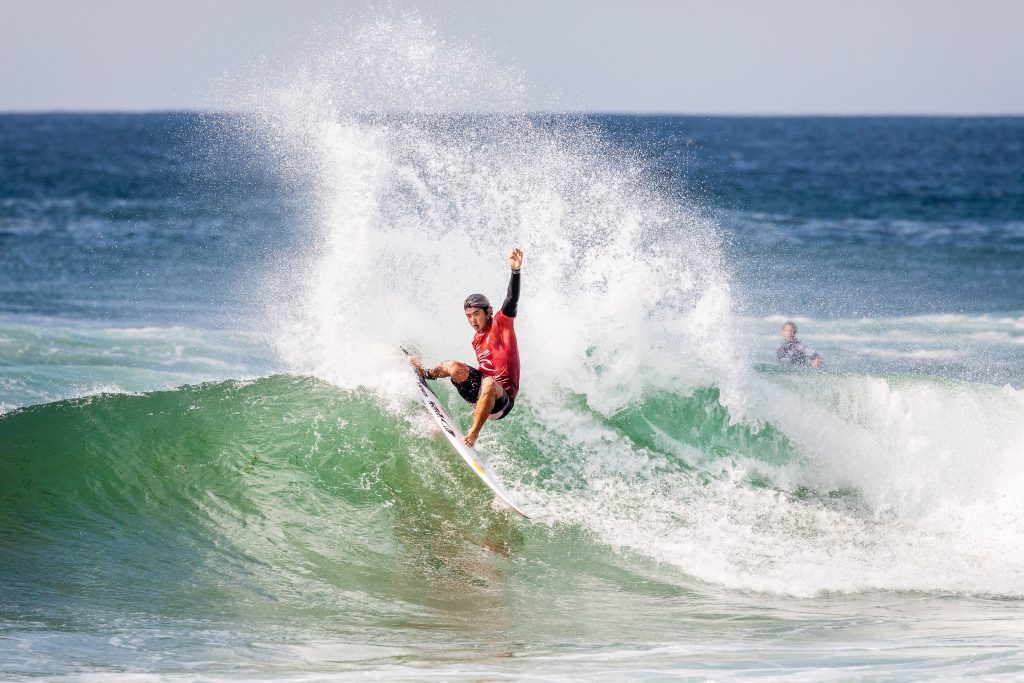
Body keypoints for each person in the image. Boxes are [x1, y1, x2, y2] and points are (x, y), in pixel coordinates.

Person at [410, 248, 523, 447]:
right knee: (452, 366)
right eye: (468, 316)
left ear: (488, 311)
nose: (472, 320)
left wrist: (515, 271)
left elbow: (511, 299)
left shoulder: (501, 323)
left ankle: (473, 433)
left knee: (488, 383)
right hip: (478, 393)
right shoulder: (476, 339)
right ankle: (425, 373)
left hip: (501, 401)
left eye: (476, 314)